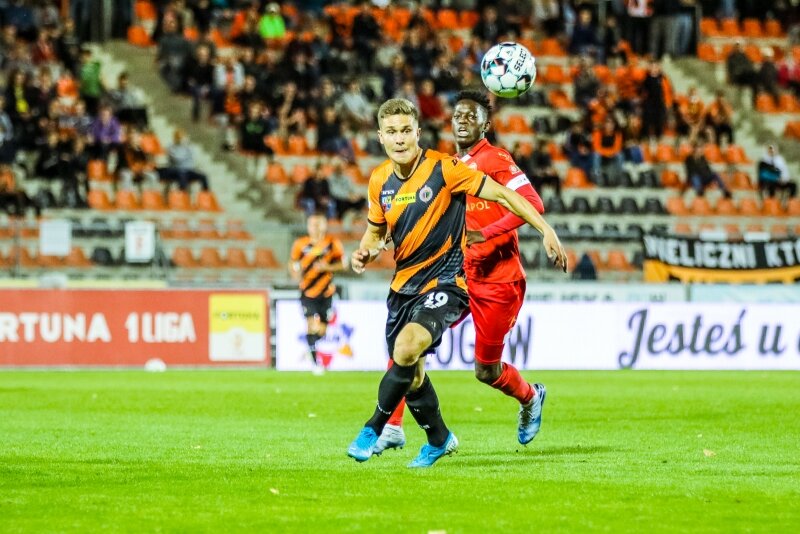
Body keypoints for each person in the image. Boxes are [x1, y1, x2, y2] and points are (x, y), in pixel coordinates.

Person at [346, 98, 567, 468]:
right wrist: (369, 249)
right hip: (446, 275)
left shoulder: (482, 161)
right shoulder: (404, 173)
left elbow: (526, 200)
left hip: (493, 278)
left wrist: (533, 231)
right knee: (407, 351)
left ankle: (530, 396)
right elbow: (386, 226)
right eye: (457, 114)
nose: (462, 120)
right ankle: (407, 430)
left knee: (484, 369)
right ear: (380, 137)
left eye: (471, 115)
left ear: (485, 124)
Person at [288, 212, 345, 375]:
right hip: (307, 292)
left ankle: (311, 346)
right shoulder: (301, 244)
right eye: (312, 224)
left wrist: (328, 267)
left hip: (326, 293)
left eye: (318, 224)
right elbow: (292, 262)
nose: (315, 227)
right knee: (311, 325)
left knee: (322, 330)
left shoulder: (332, 243)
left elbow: (343, 264)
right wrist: (294, 273)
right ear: (308, 226)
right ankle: (315, 363)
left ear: (325, 226)